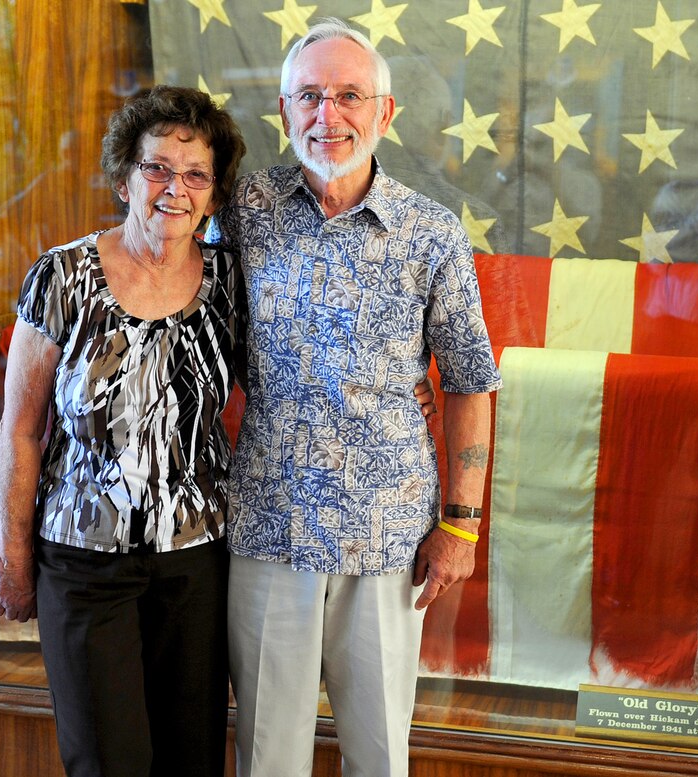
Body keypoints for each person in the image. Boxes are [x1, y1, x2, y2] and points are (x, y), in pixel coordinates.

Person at [206, 17, 503, 777]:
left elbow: (470, 379)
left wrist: (462, 526)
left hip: (389, 537)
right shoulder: (240, 214)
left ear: (385, 112)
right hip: (271, 526)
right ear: (283, 111)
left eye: (348, 95)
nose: (327, 116)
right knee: (267, 755)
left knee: (379, 754)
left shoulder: (432, 234)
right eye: (309, 96)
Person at [0, 85, 246, 777]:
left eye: (195, 174)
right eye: (157, 167)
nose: (175, 188)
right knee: (109, 762)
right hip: (81, 563)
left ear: (214, 194)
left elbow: (279, 393)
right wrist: (12, 560)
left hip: (197, 562)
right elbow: (20, 429)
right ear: (126, 176)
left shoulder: (230, 280)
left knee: (190, 758)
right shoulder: (63, 274)